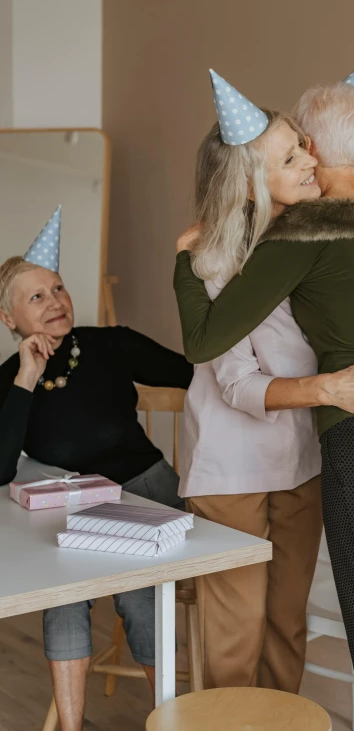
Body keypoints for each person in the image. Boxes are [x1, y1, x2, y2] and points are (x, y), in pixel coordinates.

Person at [175, 59, 354, 731]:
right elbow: (220, 354)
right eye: (288, 152)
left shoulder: (307, 234)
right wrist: (189, 259)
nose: (304, 158)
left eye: (304, 146)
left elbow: (209, 337)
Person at [0, 208, 193, 731]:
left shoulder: (110, 343)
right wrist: (26, 378)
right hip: (72, 507)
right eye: (37, 297)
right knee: (61, 595)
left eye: (58, 289)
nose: (55, 302)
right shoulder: (9, 378)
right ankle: (71, 726)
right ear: (10, 319)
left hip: (145, 494)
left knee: (136, 591)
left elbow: (194, 374)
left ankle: (168, 720)